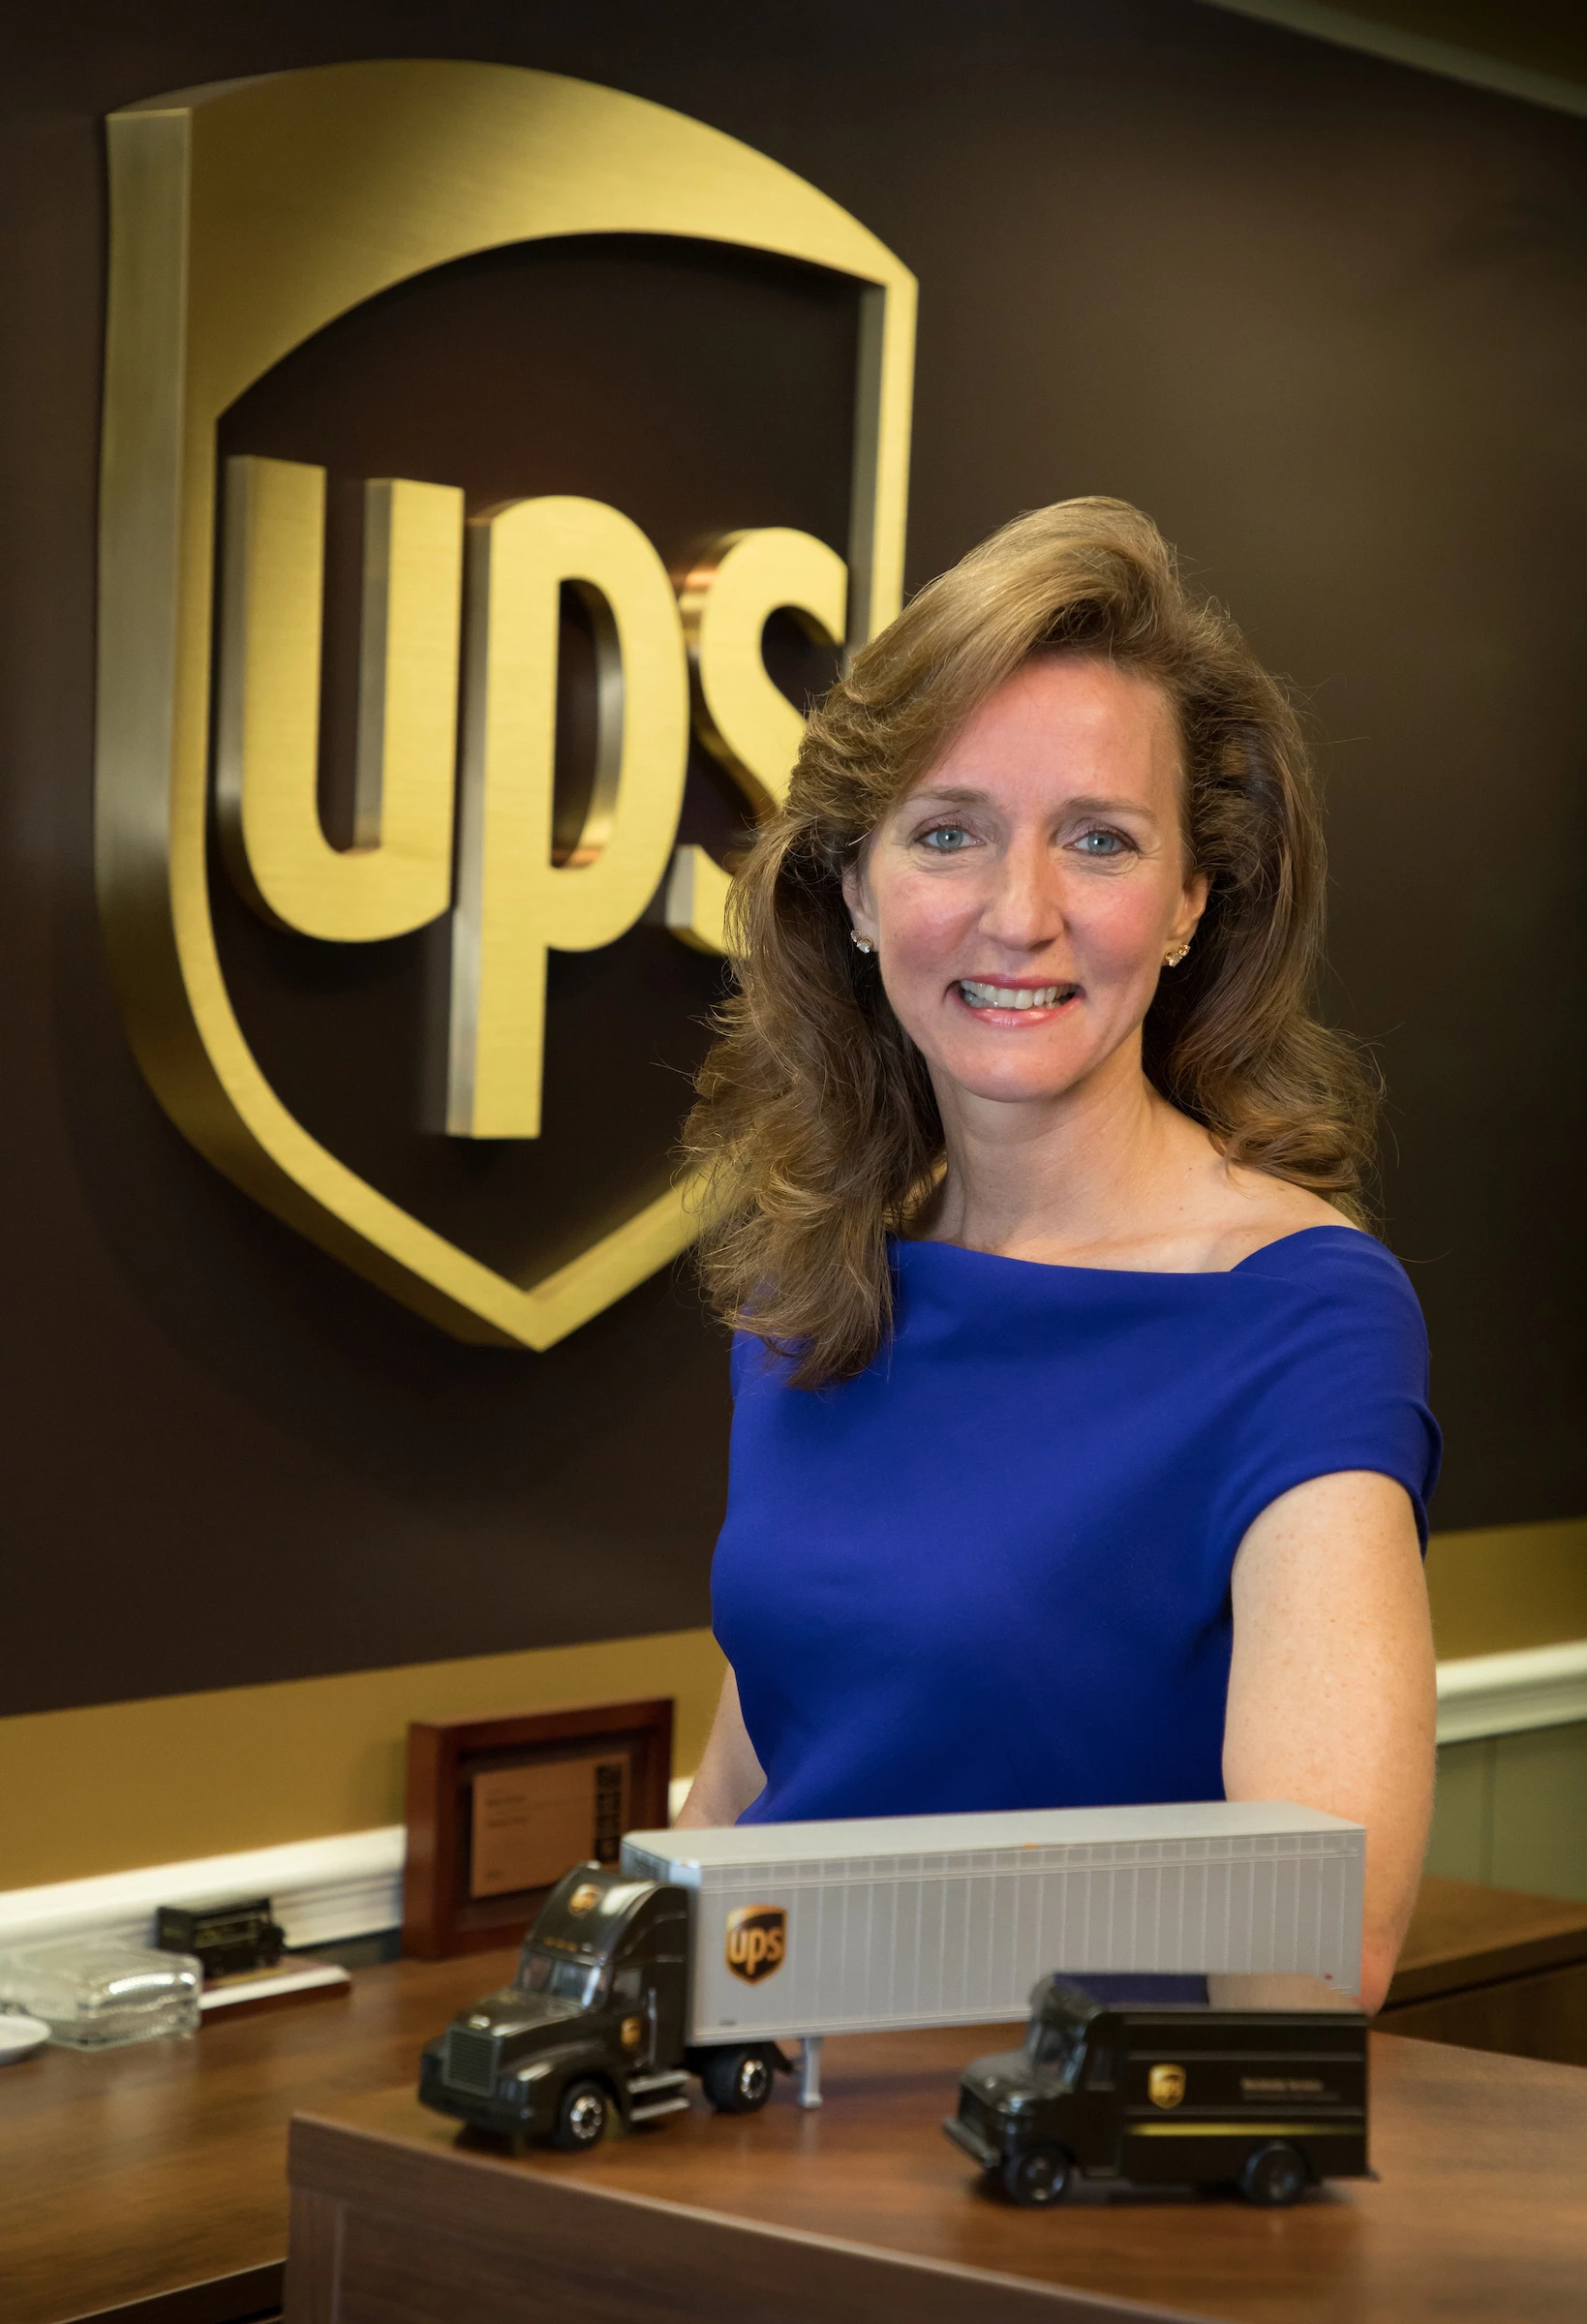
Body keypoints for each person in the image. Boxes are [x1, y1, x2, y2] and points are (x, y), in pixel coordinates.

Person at [674, 499, 1439, 2013]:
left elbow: (1314, 1945)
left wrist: (809, 1983)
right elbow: (754, 1797)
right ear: (855, 893)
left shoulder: (1298, 1315)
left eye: (1098, 841)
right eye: (947, 833)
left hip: (1060, 2183)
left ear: (1187, 903)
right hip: (771, 2143)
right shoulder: (820, 1271)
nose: (1019, 914)